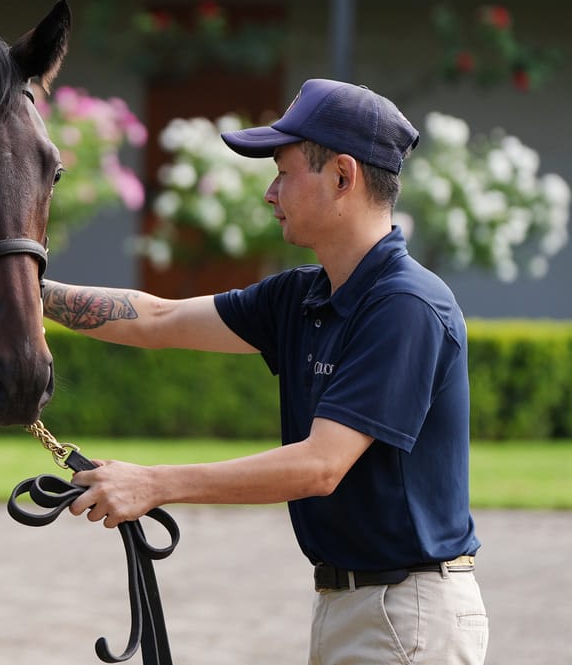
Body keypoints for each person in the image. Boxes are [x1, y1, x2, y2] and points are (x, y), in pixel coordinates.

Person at [41, 78, 488, 665]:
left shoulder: (405, 306)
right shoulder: (304, 296)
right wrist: (13, 287)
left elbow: (320, 465)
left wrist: (152, 484)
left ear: (342, 177)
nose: (269, 193)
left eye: (283, 171)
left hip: (405, 613)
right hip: (363, 606)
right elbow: (157, 317)